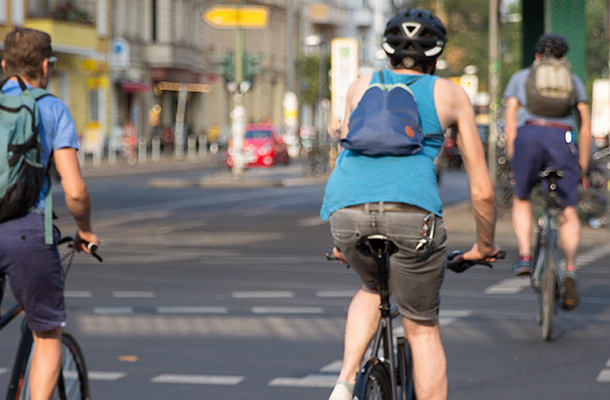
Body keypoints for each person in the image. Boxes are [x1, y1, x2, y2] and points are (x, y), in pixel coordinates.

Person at [321, 9, 498, 400]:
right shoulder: (450, 95)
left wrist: (341, 241)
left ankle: (344, 382)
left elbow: (347, 158)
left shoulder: (360, 86)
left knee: (372, 286)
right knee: (421, 327)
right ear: (436, 56)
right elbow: (483, 190)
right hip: (411, 216)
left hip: (346, 211)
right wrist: (483, 246)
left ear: (387, 53)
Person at [0, 28, 99, 400]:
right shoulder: (52, 108)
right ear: (45, 66)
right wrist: (85, 229)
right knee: (46, 333)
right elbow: (74, 190)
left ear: (5, 64)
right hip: (27, 232)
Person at [503, 33, 591, 311]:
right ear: (563, 57)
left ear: (537, 55)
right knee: (568, 208)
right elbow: (585, 125)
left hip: (529, 135)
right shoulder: (572, 80)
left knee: (522, 197)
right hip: (562, 139)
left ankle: (526, 257)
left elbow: (509, 121)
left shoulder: (521, 77)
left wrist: (513, 156)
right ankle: (570, 269)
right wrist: (583, 166)